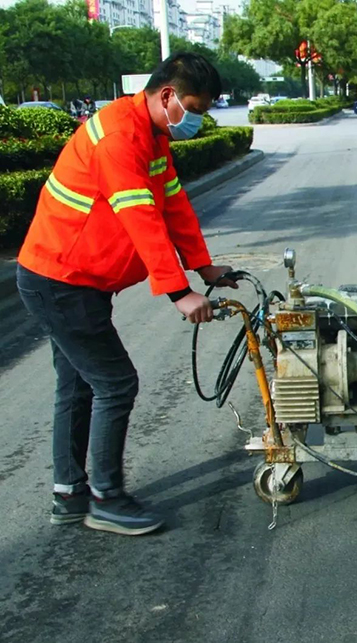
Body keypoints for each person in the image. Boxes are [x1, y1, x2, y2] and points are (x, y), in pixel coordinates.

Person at [16, 52, 237, 537]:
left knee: (77, 385)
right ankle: (106, 499)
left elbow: (174, 205)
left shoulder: (152, 135)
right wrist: (179, 291)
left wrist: (204, 266)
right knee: (116, 383)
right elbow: (141, 220)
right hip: (61, 281)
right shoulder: (119, 137)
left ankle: (71, 495)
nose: (196, 120)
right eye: (194, 107)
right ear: (167, 96)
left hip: (76, 280)